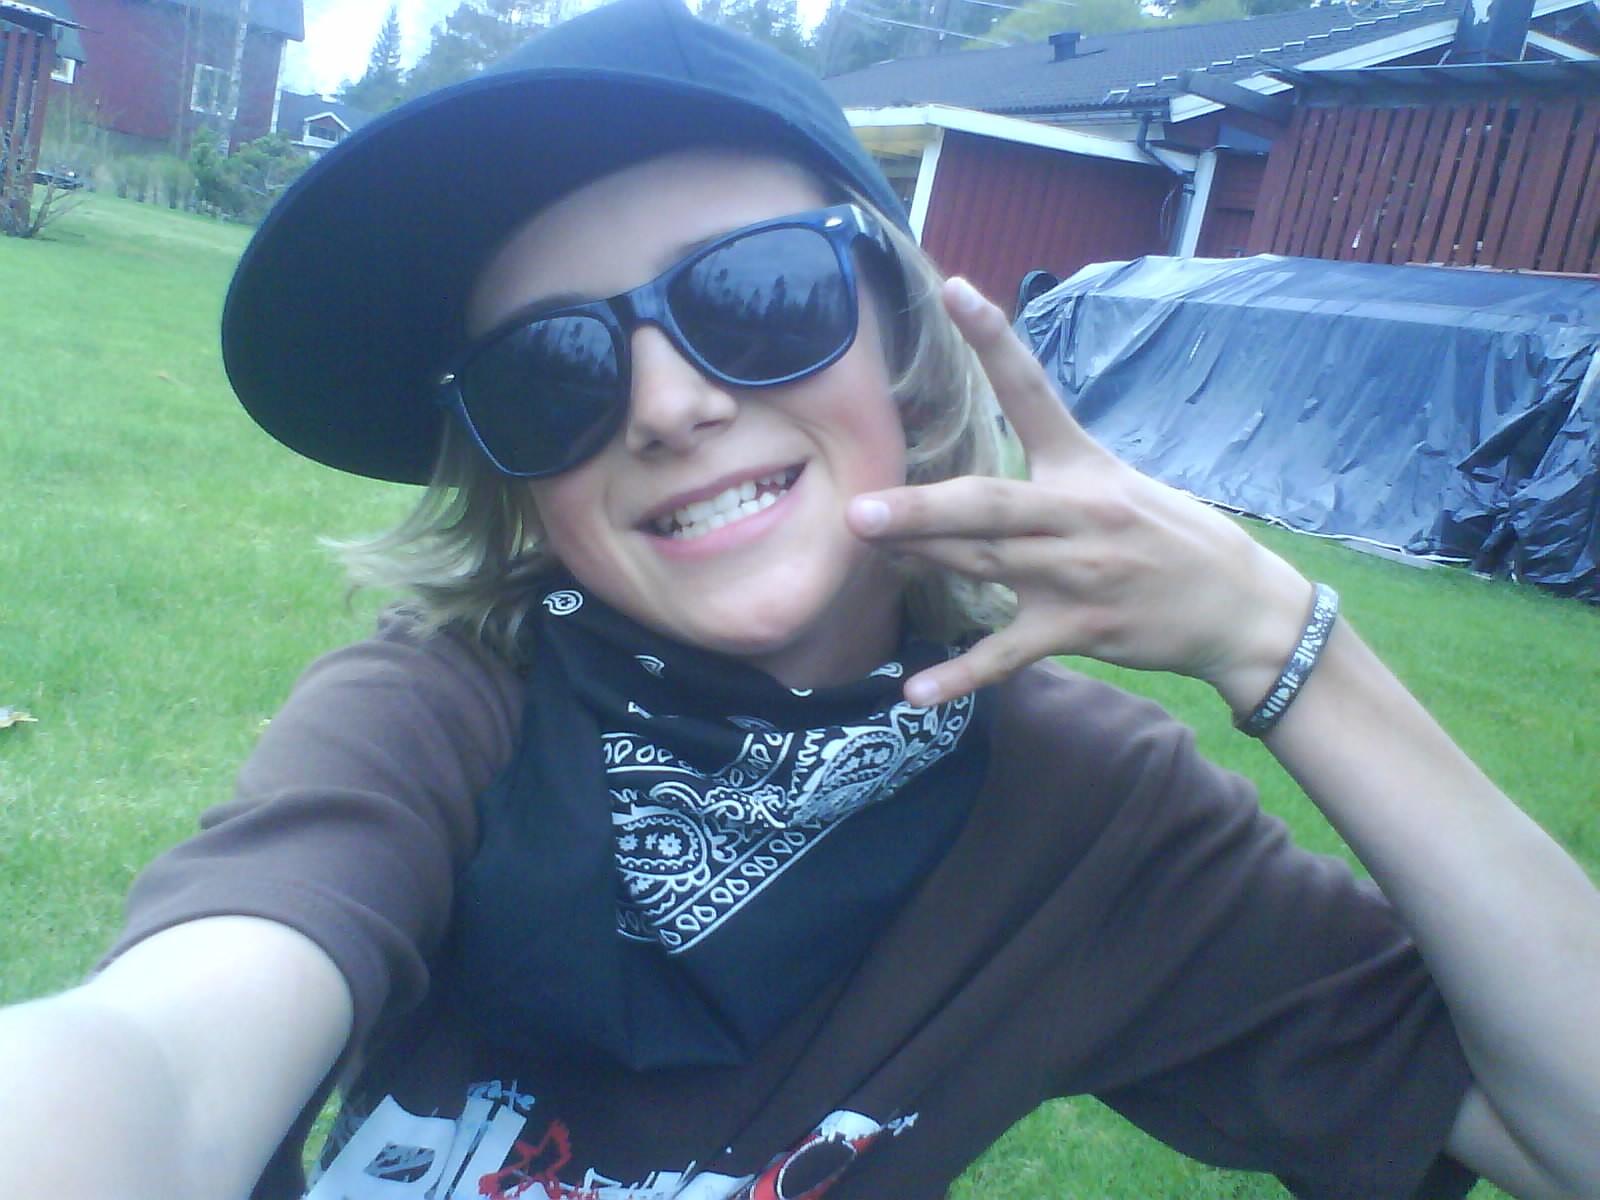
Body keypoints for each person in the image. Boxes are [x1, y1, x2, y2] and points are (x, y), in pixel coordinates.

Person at [2, 1, 1597, 1197]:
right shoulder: (448, 708)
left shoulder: (1079, 809)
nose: (667, 405)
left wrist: (1281, 640)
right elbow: (166, 1050)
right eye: (551, 369)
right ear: (517, 475)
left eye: (754, 294)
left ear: (898, 333)